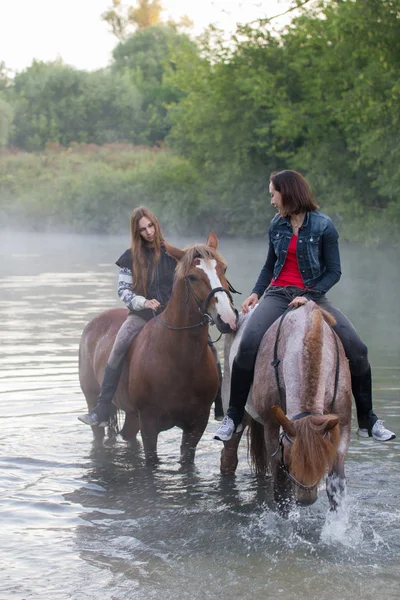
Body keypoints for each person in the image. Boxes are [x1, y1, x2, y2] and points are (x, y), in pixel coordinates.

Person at [214, 170, 396, 443]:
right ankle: (234, 416)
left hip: (314, 295)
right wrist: (256, 292)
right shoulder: (276, 224)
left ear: (287, 193)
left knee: (358, 349)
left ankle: (368, 419)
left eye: (273, 193)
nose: (271, 200)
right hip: (276, 295)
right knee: (248, 344)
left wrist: (310, 295)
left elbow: (334, 272)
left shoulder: (324, 226)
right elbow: (268, 265)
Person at [79, 206, 222, 427]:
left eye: (150, 226)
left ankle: (219, 403)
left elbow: (194, 268)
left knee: (209, 346)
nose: (149, 232)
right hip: (142, 315)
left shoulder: (171, 254)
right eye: (143, 229)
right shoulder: (129, 258)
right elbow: (123, 291)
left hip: (171, 314)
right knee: (118, 348)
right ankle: (102, 408)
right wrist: (143, 301)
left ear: (156, 224)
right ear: (137, 233)